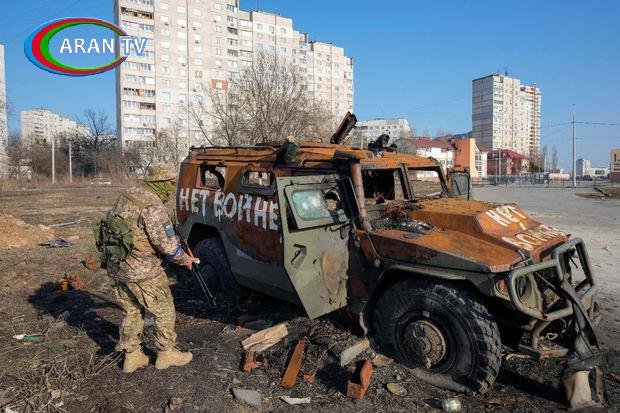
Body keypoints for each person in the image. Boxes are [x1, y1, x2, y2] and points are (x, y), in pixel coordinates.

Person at [105, 164, 199, 373]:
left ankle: (132, 356)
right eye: (171, 183)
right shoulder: (153, 207)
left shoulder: (128, 195)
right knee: (164, 310)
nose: (172, 187)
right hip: (142, 270)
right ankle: (166, 353)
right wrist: (185, 260)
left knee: (131, 311)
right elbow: (166, 245)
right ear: (161, 183)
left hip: (117, 266)